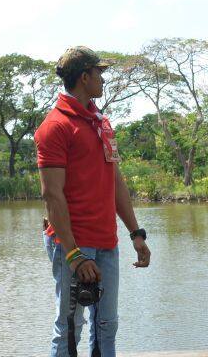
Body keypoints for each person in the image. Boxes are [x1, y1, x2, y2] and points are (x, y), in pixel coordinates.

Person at [35, 46, 151, 357]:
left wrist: (135, 234)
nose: (103, 78)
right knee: (70, 327)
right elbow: (52, 195)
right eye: (99, 72)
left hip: (106, 243)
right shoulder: (55, 126)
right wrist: (73, 253)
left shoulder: (101, 122)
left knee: (107, 324)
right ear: (84, 77)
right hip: (73, 245)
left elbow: (116, 182)